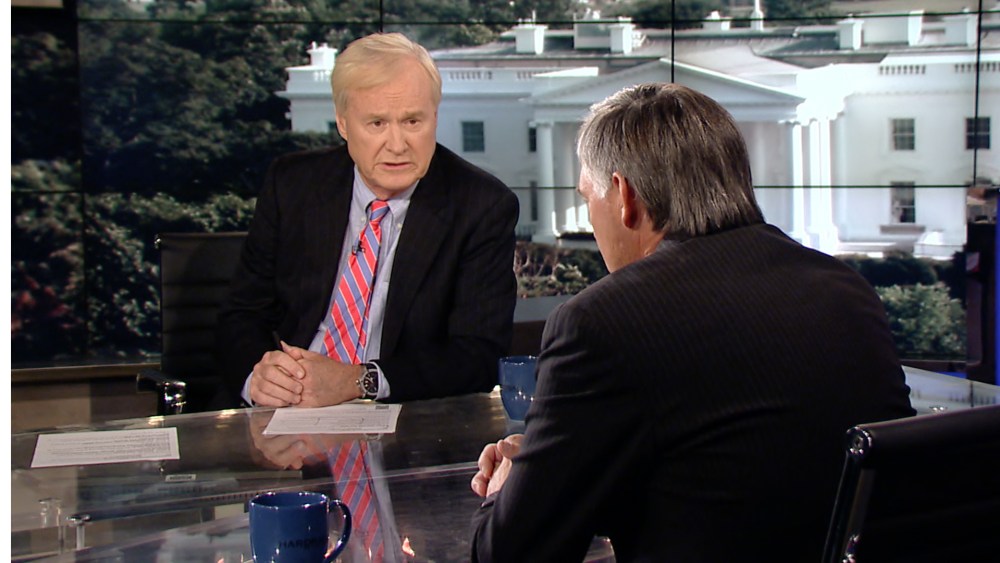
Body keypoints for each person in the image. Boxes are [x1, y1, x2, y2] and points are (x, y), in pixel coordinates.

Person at [469, 83, 915, 562]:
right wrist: (559, 464)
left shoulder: (600, 323)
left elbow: (510, 554)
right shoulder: (847, 291)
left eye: (588, 197)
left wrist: (512, 483)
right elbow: (730, 472)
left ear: (624, 196)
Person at [216, 32, 518, 408]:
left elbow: (478, 356)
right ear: (343, 124)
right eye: (377, 124)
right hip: (285, 406)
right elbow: (242, 315)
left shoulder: (481, 205)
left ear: (435, 117)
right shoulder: (293, 185)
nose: (397, 144)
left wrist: (359, 380)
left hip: (398, 416)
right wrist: (259, 380)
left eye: (413, 121)